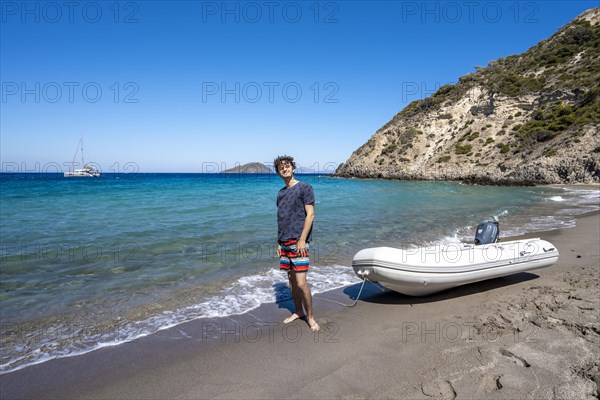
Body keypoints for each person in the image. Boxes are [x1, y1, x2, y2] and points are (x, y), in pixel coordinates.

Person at [274, 155, 319, 332]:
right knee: (292, 281)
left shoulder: (304, 187)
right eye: (280, 167)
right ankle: (298, 311)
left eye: (287, 166)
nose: (284, 169)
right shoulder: (280, 193)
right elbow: (281, 218)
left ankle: (311, 317)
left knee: (301, 283)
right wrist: (278, 242)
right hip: (284, 243)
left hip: (298, 242)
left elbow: (310, 215)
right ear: (278, 172)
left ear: (293, 168)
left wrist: (302, 239)